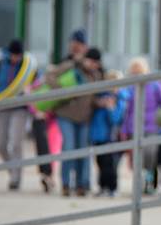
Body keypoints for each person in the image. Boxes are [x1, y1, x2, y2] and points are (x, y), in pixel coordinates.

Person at [46, 46, 104, 197]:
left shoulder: (97, 75)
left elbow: (93, 98)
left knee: (83, 151)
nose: (93, 65)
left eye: (96, 63)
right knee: (69, 148)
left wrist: (102, 103)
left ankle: (82, 185)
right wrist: (63, 91)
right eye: (91, 62)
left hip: (85, 118)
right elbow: (49, 75)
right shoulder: (71, 66)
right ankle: (66, 184)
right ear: (85, 59)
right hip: (66, 115)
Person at [120, 57, 161, 195]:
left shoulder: (155, 85)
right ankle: (140, 184)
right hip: (134, 127)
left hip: (152, 127)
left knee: (150, 155)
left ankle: (149, 181)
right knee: (137, 158)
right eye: (134, 73)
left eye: (139, 72)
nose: (136, 75)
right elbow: (127, 110)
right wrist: (124, 129)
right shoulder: (130, 88)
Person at [0, 39, 28, 190]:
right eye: (13, 55)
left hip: (19, 108)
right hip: (2, 107)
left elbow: (38, 83)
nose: (15, 59)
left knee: (16, 143)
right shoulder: (1, 64)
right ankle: (13, 169)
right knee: (1, 144)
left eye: (18, 56)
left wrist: (31, 90)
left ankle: (16, 178)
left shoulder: (27, 66)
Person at [90, 69, 127, 197]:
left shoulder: (120, 100)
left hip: (111, 137)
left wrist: (110, 108)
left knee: (110, 164)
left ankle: (112, 188)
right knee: (100, 162)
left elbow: (116, 119)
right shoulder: (101, 97)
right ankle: (102, 186)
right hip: (99, 136)